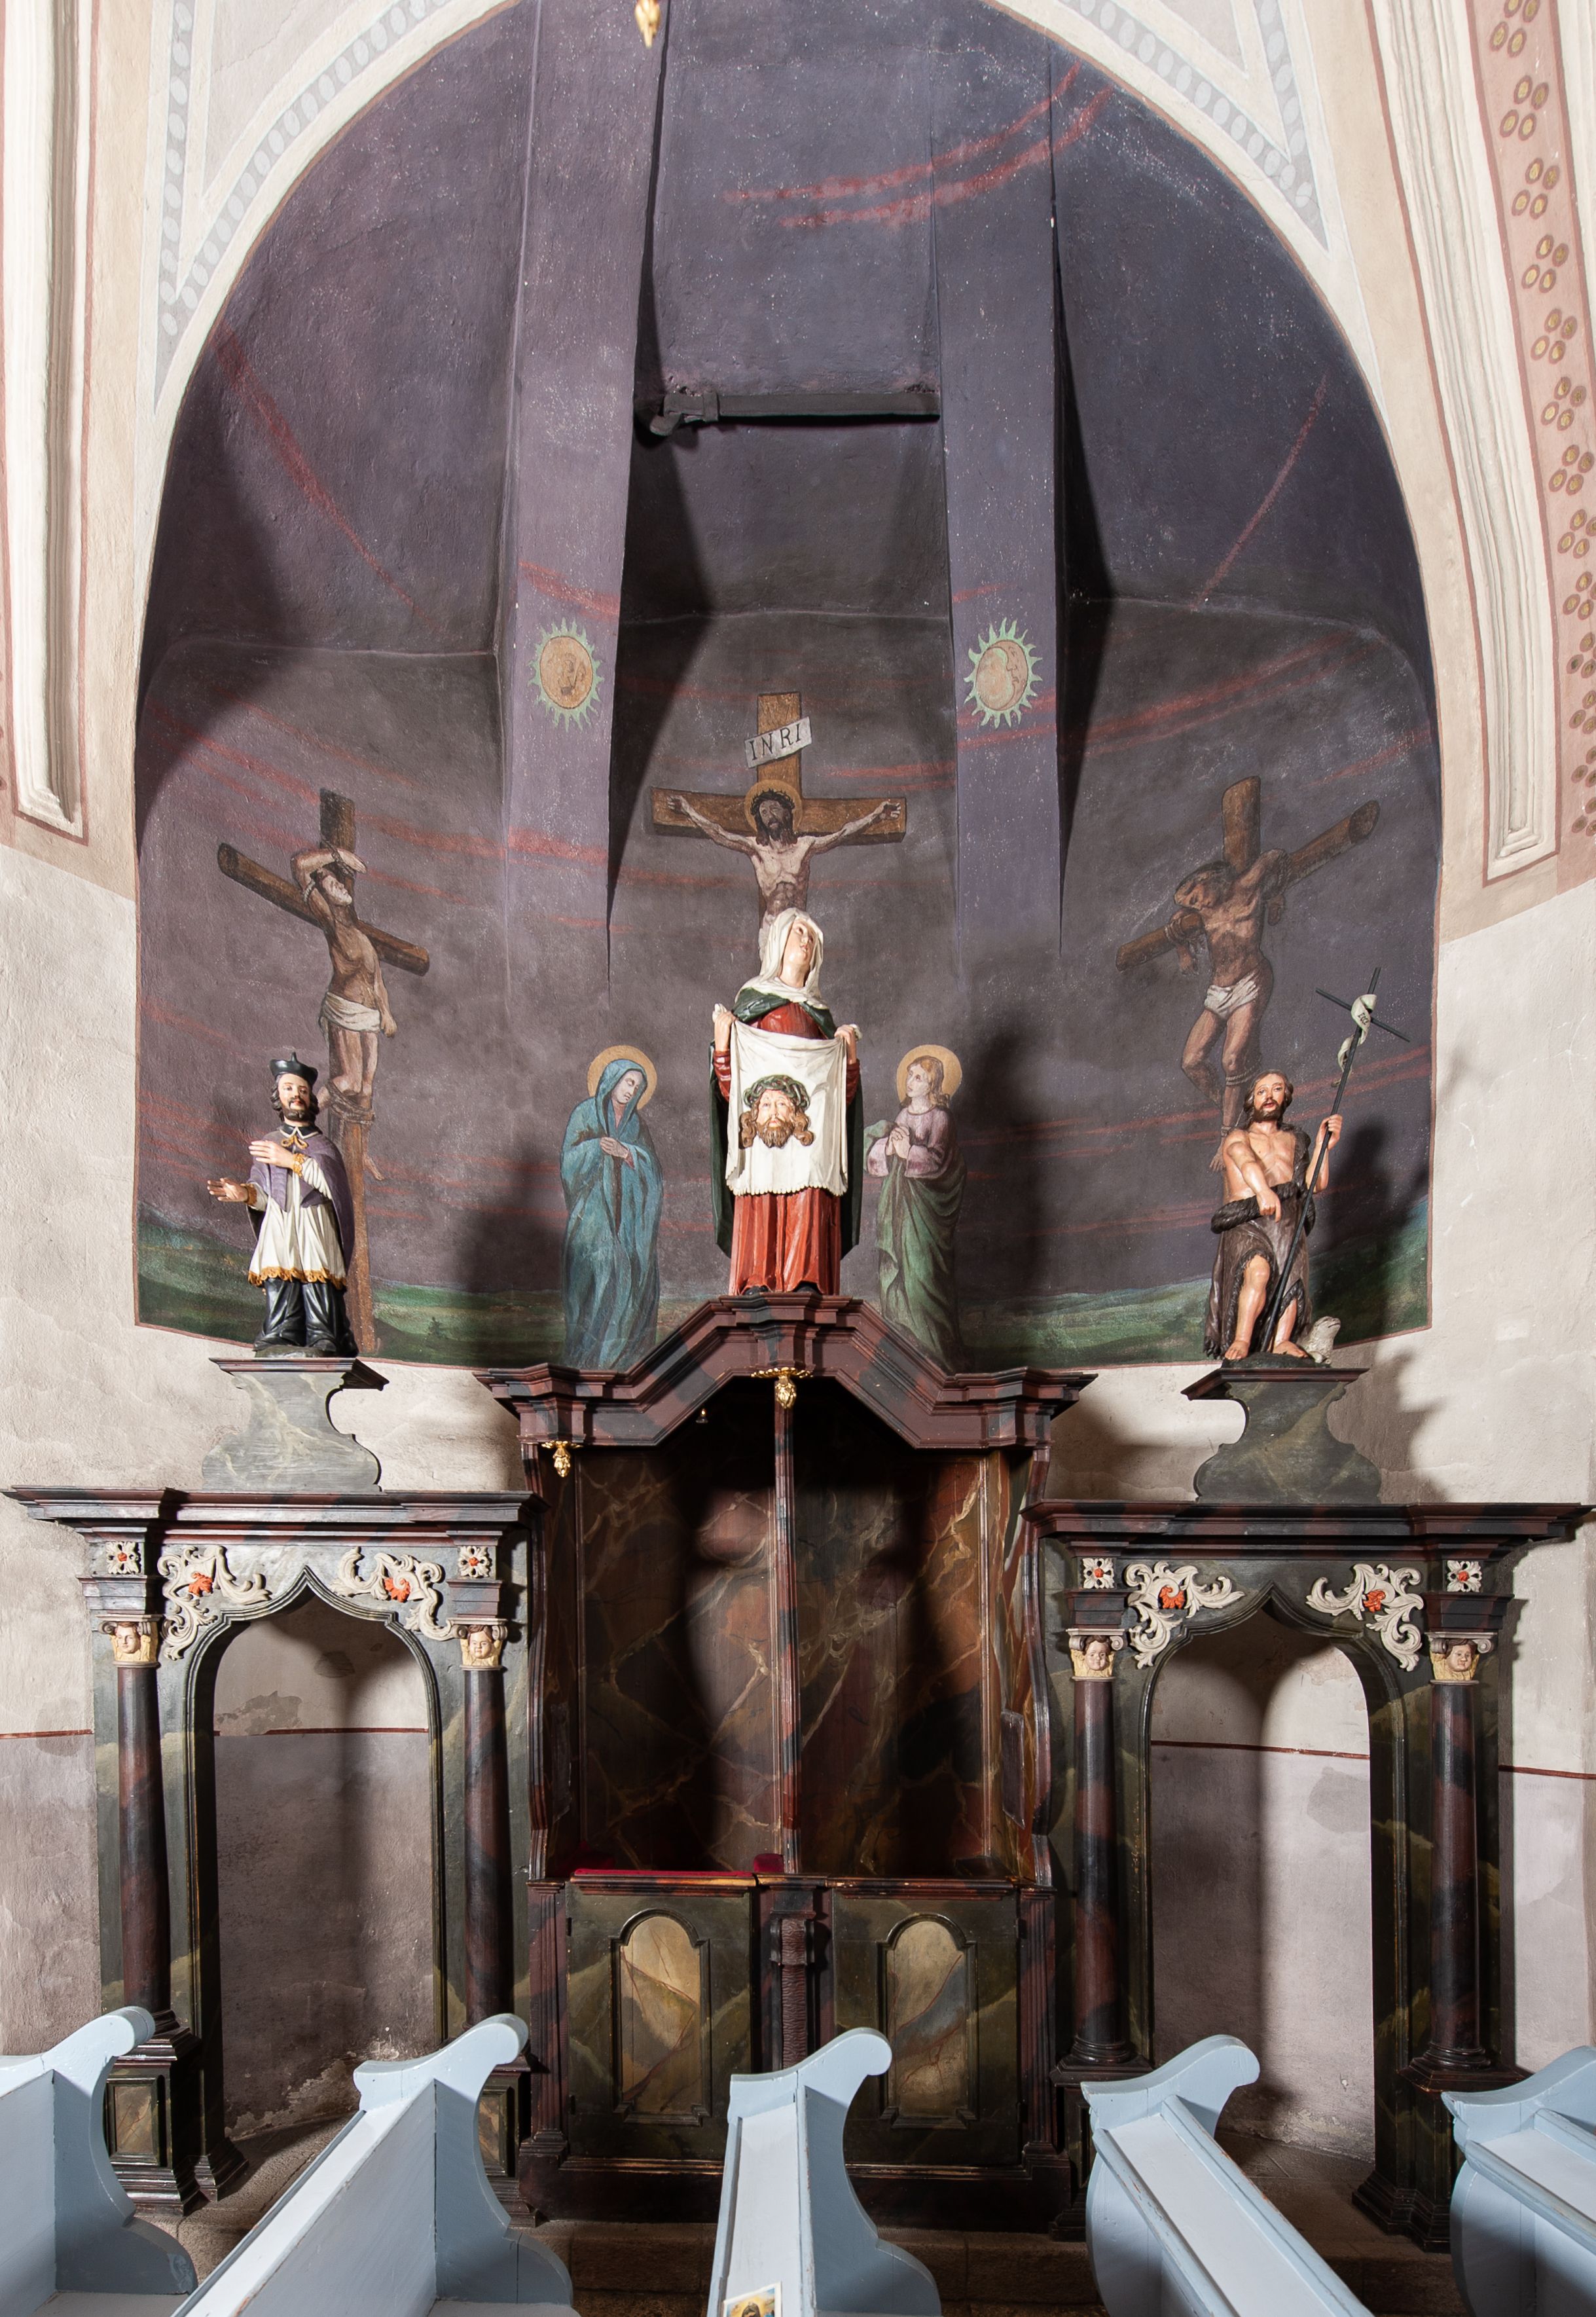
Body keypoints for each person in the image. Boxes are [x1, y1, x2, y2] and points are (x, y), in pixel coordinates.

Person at [711, 909, 862, 1294]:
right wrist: (724, 1048)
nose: (806, 941)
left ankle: (806, 1279)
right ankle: (757, 1279)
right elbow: (734, 1093)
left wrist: (848, 1059)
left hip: (805, 1132)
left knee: (810, 1172)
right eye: (799, 932)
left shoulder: (819, 1017)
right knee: (763, 1174)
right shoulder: (753, 1004)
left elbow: (835, 1105)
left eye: (812, 937)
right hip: (765, 1130)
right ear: (779, 939)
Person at [207, 1053, 357, 1355]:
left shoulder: (323, 1146)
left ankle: (323, 1335)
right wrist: (245, 1194)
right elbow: (265, 1192)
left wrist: (292, 1161)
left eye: (302, 1090)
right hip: (280, 1222)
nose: (296, 1095)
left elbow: (333, 1187)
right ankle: (280, 1333)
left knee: (317, 1277)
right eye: (289, 1089)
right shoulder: (270, 1142)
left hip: (314, 1222)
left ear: (310, 1098)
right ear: (278, 1096)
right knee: (280, 1275)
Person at [1205, 1069, 1341, 1361]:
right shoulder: (1238, 1136)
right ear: (1251, 1100)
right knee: (1258, 1271)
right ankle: (1242, 1339)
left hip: (1287, 1218)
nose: (1269, 1096)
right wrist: (1263, 1191)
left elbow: (1314, 1184)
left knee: (1291, 1279)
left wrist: (1323, 1146)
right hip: (1248, 1218)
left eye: (1277, 1089)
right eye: (1262, 1091)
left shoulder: (1296, 1139)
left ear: (1286, 1097)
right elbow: (1246, 1161)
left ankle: (1282, 1340)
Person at [1165, 851, 1289, 1137]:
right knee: (1191, 1061)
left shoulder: (1246, 885)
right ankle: (1228, 1106)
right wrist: (1183, 953)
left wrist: (1276, 895)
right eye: (1191, 904)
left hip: (1251, 981)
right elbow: (1175, 927)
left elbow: (1276, 857)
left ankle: (1227, 1137)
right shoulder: (1202, 912)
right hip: (1219, 991)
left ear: (1209, 879)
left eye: (1196, 897)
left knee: (1231, 1060)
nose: (1196, 905)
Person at [667, 784, 894, 934]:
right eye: (764, 813)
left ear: (787, 813)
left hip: (799, 925)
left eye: (774, 809)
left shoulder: (805, 846)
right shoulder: (756, 849)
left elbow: (842, 834)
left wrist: (876, 817)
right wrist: (688, 811)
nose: (770, 816)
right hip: (772, 927)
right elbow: (719, 833)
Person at [560, 1055, 663, 1370]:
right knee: (593, 1280)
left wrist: (628, 1153)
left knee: (627, 1279)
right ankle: (586, 1358)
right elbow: (568, 1162)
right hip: (592, 1219)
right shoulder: (585, 1113)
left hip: (627, 1222)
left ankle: (620, 1359)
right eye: (629, 1082)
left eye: (637, 1087)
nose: (631, 1090)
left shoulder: (636, 1125)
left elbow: (653, 1172)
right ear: (612, 1080)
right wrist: (596, 1148)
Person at [865, 1051, 966, 1369]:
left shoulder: (941, 1119)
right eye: (909, 1075)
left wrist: (908, 1150)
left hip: (926, 1213)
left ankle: (938, 1357)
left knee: (924, 1277)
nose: (910, 1081)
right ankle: (903, 1350)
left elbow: (939, 1162)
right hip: (899, 1207)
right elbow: (886, 1160)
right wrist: (888, 1146)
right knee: (897, 1275)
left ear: (932, 1084)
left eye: (918, 1077)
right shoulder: (902, 1115)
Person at [291, 844, 397, 1117]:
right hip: (346, 1009)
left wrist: (386, 1012)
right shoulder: (331, 922)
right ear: (324, 896)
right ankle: (302, 1119)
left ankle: (360, 1143)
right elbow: (300, 866)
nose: (339, 887)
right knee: (350, 1080)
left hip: (370, 1015)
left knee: (365, 1090)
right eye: (332, 885)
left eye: (339, 882)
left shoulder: (361, 936)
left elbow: (377, 980)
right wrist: (339, 855)